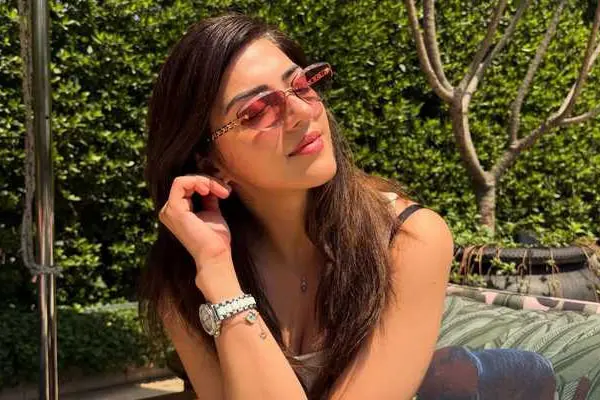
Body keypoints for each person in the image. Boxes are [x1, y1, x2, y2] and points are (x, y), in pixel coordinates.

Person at [139, 12, 557, 400]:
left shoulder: (409, 239)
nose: (301, 111)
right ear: (210, 162)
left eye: (301, 84)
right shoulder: (187, 278)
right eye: (258, 110)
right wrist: (218, 273)